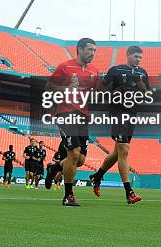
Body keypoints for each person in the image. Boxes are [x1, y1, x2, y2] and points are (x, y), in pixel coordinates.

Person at [89, 46, 151, 204]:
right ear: (128, 55)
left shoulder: (142, 73)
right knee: (124, 149)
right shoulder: (116, 70)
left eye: (140, 58)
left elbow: (148, 94)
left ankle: (97, 176)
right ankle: (129, 192)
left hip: (132, 114)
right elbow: (101, 87)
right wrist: (111, 92)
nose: (138, 60)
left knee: (118, 152)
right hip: (117, 113)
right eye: (136, 56)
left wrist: (144, 89)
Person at [44, 37, 99, 206]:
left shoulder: (94, 71)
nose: (92, 53)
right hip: (65, 113)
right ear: (80, 49)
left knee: (80, 160)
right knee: (73, 153)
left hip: (83, 117)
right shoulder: (65, 66)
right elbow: (49, 87)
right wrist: (66, 88)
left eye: (94, 50)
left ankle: (54, 168)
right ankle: (68, 196)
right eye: (90, 49)